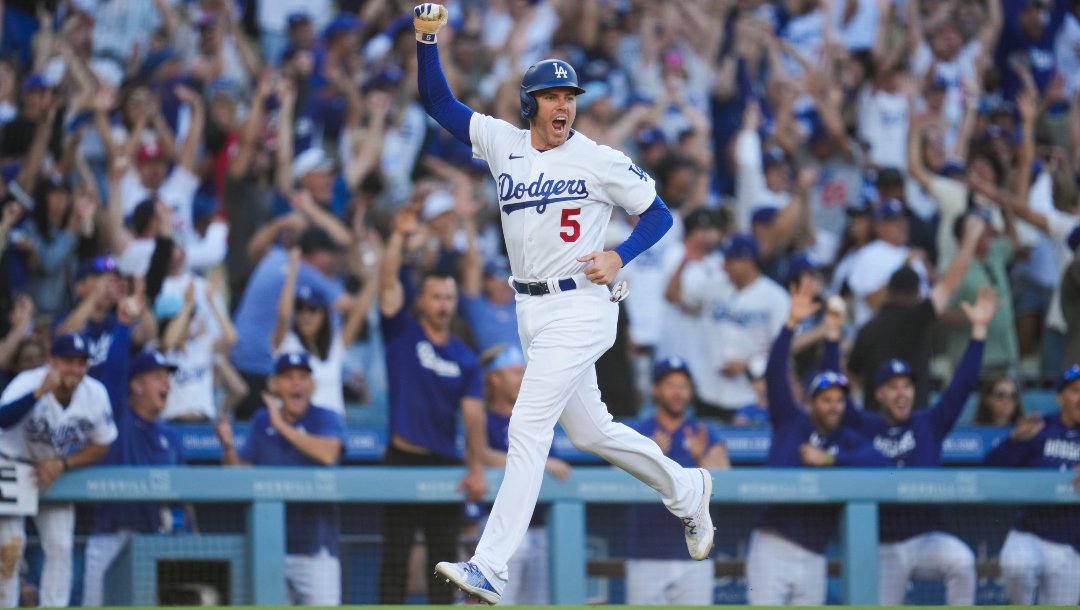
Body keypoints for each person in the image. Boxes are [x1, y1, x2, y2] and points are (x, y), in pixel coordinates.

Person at [412, 4, 714, 604]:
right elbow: (440, 105)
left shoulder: (597, 158)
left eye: (568, 96)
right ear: (531, 105)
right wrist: (426, 39)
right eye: (550, 96)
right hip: (533, 311)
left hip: (583, 306)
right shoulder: (502, 143)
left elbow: (657, 214)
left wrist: (621, 256)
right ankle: (685, 488)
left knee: (527, 425)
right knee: (593, 431)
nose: (562, 106)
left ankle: (489, 566)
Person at [838, 287, 998, 605]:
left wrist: (978, 331)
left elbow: (962, 386)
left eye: (907, 386)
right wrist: (832, 339)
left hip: (926, 538)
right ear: (879, 394)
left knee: (962, 562)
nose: (902, 393)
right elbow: (838, 396)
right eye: (892, 387)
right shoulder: (865, 426)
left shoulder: (929, 422)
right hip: (882, 544)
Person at [748, 280, 889, 606]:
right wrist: (790, 325)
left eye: (839, 401)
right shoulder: (791, 420)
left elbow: (879, 462)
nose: (834, 406)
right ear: (812, 402)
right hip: (774, 543)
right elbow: (774, 373)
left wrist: (829, 460)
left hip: (815, 554)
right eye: (825, 400)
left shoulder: (846, 439)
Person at [376, 206, 488, 605]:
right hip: (400, 457)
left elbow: (474, 419)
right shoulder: (401, 332)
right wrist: (397, 238)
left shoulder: (465, 358)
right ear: (421, 301)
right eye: (436, 296)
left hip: (444, 464)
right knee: (394, 558)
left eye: (449, 298)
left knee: (443, 565)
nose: (443, 304)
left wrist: (475, 468)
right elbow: (387, 282)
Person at [214, 352, 345, 606]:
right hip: (270, 547)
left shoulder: (325, 417)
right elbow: (239, 475)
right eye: (288, 378)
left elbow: (329, 454)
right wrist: (228, 447)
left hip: (315, 551)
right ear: (274, 384)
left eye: (302, 378)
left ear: (312, 385)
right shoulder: (261, 422)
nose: (296, 384)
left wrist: (283, 426)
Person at [0, 333, 117, 607]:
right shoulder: (28, 382)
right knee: (9, 551)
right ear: (51, 361)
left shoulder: (95, 394)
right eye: (68, 361)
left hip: (52, 471)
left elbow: (103, 443)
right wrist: (38, 392)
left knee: (61, 547)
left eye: (81, 363)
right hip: (10, 464)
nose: (75, 369)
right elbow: (2, 420)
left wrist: (63, 464)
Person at [847, 214, 983, 411]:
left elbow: (852, 376)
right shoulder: (917, 318)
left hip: (874, 424)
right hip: (913, 421)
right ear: (918, 293)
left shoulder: (867, 329)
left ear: (889, 292)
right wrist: (970, 239)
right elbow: (949, 284)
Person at [625, 357, 730, 605]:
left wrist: (699, 456)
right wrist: (650, 456)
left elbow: (727, 478)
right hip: (645, 554)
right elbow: (611, 481)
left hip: (695, 555)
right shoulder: (637, 432)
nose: (677, 392)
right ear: (656, 390)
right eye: (670, 385)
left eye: (683, 385)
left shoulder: (704, 433)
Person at [82, 351, 183, 606]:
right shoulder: (119, 419)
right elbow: (113, 378)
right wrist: (124, 326)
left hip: (153, 539)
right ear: (136, 385)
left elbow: (184, 493)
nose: (166, 384)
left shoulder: (170, 436)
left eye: (167, 378)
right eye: (158, 377)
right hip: (110, 535)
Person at [479, 344, 571, 605]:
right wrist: (540, 464)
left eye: (524, 372)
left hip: (541, 526)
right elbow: (478, 456)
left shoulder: (538, 418)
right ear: (494, 379)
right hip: (496, 528)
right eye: (515, 372)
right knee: (498, 602)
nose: (523, 378)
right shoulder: (484, 420)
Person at [984, 364, 1080, 606]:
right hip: (1030, 534)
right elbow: (990, 470)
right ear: (1060, 398)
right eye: (1076, 391)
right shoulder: (1040, 427)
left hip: (1070, 546)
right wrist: (1014, 441)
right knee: (1016, 566)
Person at [666, 233, 790, 420]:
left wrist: (749, 364)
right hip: (708, 389)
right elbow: (673, 295)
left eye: (730, 260)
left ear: (748, 261)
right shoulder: (714, 286)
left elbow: (783, 347)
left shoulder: (776, 297)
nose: (724, 265)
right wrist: (685, 262)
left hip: (750, 394)